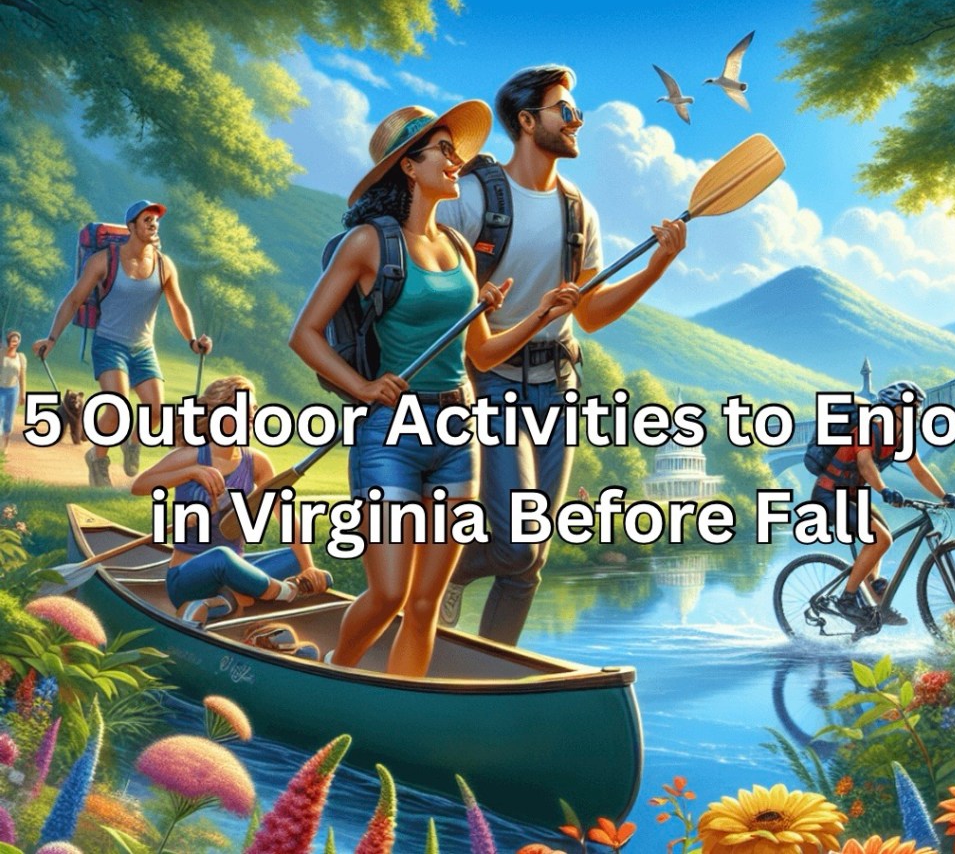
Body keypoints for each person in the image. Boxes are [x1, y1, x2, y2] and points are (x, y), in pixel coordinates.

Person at [289, 100, 579, 677]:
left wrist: (540, 314)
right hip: (390, 435)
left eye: (454, 150)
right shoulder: (369, 243)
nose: (456, 162)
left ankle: (398, 704)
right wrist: (363, 386)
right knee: (390, 592)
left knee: (424, 605)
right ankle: (339, 674)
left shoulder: (458, 247)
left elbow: (481, 352)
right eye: (443, 152)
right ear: (408, 166)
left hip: (456, 433)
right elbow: (305, 334)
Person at [435, 65, 687, 644]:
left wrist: (658, 265)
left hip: (560, 385)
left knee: (531, 558)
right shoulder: (468, 200)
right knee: (516, 542)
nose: (577, 121)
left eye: (577, 112)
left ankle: (495, 668)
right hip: (492, 380)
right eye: (565, 111)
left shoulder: (579, 211)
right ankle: (452, 567)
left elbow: (592, 314)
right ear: (527, 122)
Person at [33, 200, 213, 487]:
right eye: (147, 220)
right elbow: (74, 300)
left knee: (155, 411)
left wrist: (192, 340)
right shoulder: (104, 260)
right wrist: (52, 338)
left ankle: (132, 440)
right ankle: (98, 458)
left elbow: (178, 306)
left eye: (156, 220)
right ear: (131, 226)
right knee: (117, 406)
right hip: (109, 344)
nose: (153, 225)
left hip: (143, 349)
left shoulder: (164, 265)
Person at [131, 375, 331, 627]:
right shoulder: (191, 455)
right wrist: (192, 473)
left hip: (233, 573)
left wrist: (308, 568)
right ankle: (281, 592)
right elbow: (139, 486)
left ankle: (227, 601)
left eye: (253, 410)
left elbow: (287, 515)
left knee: (296, 559)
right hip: (187, 579)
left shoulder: (256, 462)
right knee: (222, 557)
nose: (251, 417)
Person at [810, 380, 955, 627]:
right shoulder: (870, 428)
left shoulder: (901, 435)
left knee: (882, 537)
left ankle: (873, 595)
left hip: (852, 494)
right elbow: (864, 463)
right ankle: (847, 599)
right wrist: (884, 489)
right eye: (910, 406)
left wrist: (943, 495)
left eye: (918, 406)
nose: (916, 411)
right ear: (892, 407)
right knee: (881, 538)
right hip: (829, 495)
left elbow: (918, 469)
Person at [0, 331, 27, 453]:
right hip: (1, 388)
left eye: (16, 340)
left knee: (9, 417)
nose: (14, 343)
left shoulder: (21, 357)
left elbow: (22, 377)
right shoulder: (1, 354)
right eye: (12, 340)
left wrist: (22, 394)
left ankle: (5, 445)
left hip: (13, 390)